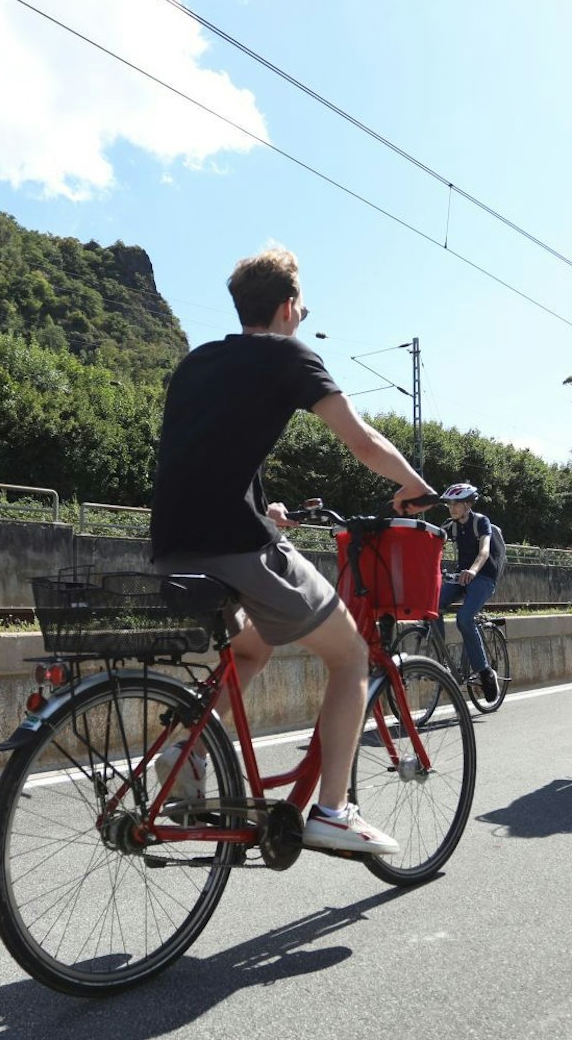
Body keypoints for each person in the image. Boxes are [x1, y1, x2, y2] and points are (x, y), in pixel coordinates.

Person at [148, 245, 438, 857]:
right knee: (351, 655)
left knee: (252, 644)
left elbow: (206, 458)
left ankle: (186, 746)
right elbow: (362, 441)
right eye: (301, 307)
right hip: (233, 542)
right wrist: (413, 484)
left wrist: (265, 506)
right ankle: (332, 809)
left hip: (173, 543)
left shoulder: (198, 361)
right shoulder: (289, 355)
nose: (301, 317)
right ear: (287, 307)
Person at [436, 482, 505, 702]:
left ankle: (485, 673)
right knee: (432, 607)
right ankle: (440, 663)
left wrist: (473, 571)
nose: (452, 508)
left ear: (468, 504)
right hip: (461, 575)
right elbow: (433, 545)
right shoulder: (451, 526)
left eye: (456, 503)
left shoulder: (480, 521)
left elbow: (484, 551)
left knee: (464, 618)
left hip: (483, 576)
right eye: (449, 504)